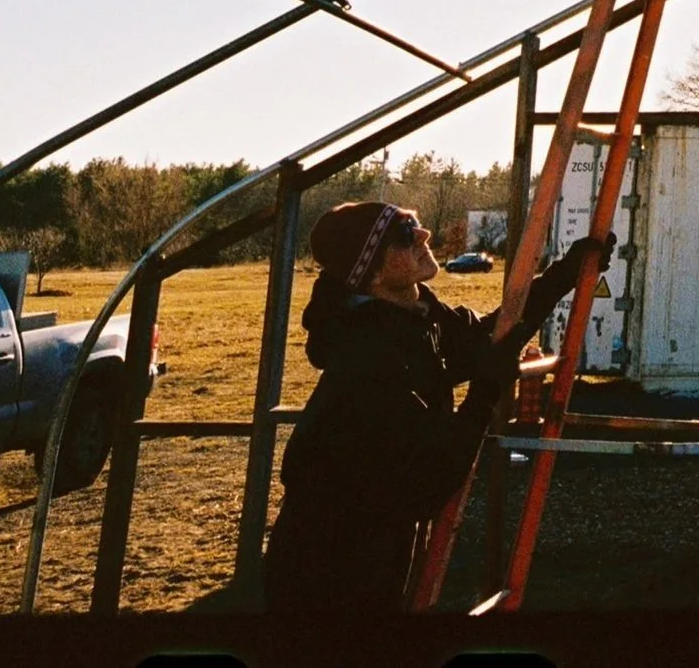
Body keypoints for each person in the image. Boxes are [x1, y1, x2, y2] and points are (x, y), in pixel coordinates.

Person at [263, 200, 613, 613]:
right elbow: (426, 483)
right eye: (406, 234)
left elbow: (488, 339)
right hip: (329, 561)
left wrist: (563, 276)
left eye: (417, 223)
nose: (425, 235)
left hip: (374, 541)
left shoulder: (415, 314)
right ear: (372, 270)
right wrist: (484, 394)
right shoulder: (370, 357)